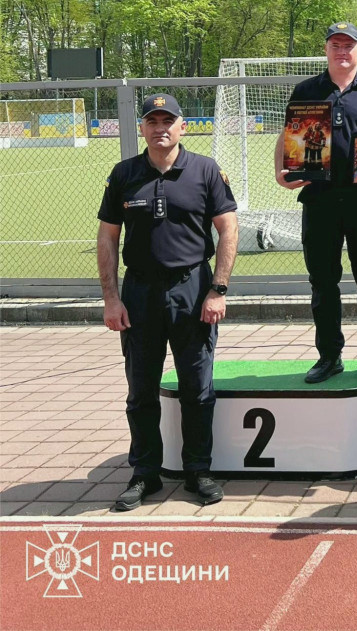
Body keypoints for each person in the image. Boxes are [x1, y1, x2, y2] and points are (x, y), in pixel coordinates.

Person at [98, 93, 237, 511]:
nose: (160, 128)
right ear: (142, 127)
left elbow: (228, 230)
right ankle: (145, 473)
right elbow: (107, 237)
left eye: (168, 121)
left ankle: (198, 471)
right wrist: (111, 299)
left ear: (182, 126)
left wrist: (217, 289)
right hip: (139, 293)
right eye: (152, 121)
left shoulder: (206, 170)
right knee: (141, 391)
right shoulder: (124, 174)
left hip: (192, 289)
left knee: (197, 388)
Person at [274, 22, 357, 384]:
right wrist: (279, 173)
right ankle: (329, 356)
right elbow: (288, 137)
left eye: (348, 45)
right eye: (335, 45)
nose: (342, 51)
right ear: (326, 49)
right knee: (323, 282)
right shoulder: (306, 90)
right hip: (318, 200)